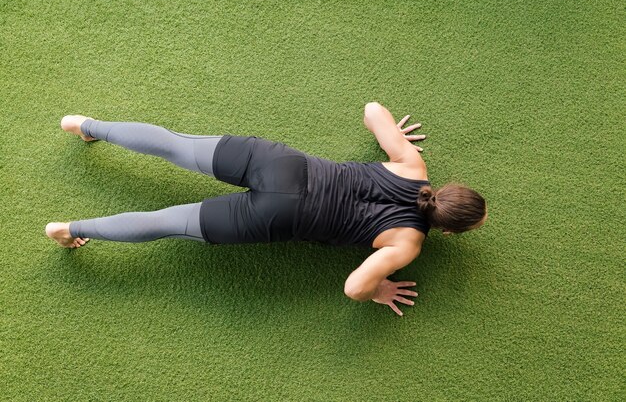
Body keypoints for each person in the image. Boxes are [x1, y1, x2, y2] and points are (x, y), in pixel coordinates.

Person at [45, 102, 487, 316]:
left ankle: (84, 125)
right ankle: (68, 228)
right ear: (447, 231)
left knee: (176, 144)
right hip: (279, 217)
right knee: (167, 223)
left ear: (447, 191)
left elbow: (373, 110)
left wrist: (398, 141)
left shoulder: (413, 166)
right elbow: (354, 287)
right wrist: (381, 290)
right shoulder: (407, 243)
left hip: (284, 167)